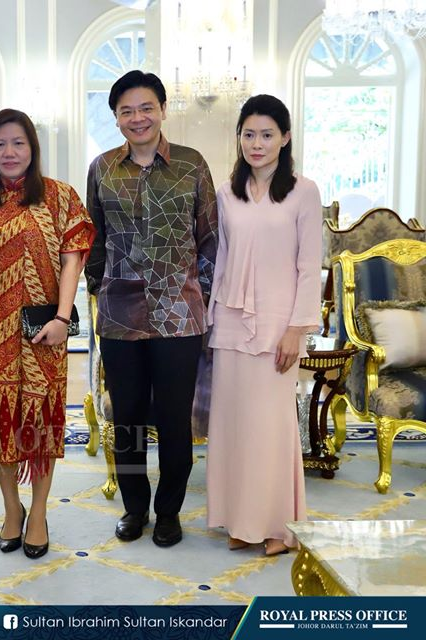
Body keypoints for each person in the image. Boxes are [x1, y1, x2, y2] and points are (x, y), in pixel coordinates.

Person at [85, 70, 218, 547]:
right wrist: (99, 289)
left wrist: (200, 298)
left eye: (146, 108)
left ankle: (168, 512)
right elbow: (93, 238)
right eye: (127, 111)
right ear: (116, 117)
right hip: (119, 316)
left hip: (179, 315)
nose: (137, 118)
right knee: (127, 419)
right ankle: (134, 508)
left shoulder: (191, 164)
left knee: (174, 419)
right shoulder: (102, 168)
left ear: (162, 109)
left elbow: (209, 238)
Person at [0, 109, 94, 559]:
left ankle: (39, 512)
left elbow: (72, 259)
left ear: (33, 148)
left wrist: (63, 318)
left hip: (45, 333)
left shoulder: (60, 196)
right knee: (1, 423)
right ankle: (12, 509)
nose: (9, 152)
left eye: (18, 142)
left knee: (42, 425)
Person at [206, 94, 320, 556]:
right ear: (239, 138)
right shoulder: (226, 193)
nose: (257, 144)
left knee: (270, 427)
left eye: (267, 135)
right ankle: (240, 520)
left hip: (278, 325)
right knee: (233, 424)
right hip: (230, 322)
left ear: (285, 138)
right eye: (249, 134)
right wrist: (211, 319)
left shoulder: (303, 191)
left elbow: (310, 266)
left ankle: (276, 526)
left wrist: (298, 328)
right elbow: (221, 260)